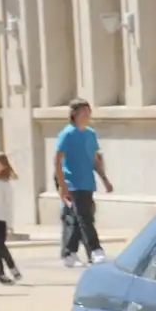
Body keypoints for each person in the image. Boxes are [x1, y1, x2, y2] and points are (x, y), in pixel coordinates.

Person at [54, 98, 113, 267]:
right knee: (85, 217)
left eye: (89, 112)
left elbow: (95, 159)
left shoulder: (90, 134)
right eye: (84, 112)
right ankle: (95, 250)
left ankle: (69, 253)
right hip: (72, 182)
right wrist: (62, 186)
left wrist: (105, 180)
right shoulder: (67, 134)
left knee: (80, 217)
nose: (88, 115)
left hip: (87, 181)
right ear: (74, 114)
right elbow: (57, 160)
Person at [0, 153, 19, 284]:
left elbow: (9, 205)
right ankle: (2, 274)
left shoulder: (4, 184)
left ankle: (11, 268)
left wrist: (10, 224)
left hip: (1, 220)